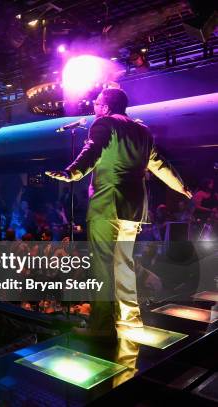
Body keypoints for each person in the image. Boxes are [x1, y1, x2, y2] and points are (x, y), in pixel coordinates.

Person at [46, 88, 192, 336]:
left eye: (97, 102)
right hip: (133, 207)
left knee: (102, 266)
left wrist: (72, 172)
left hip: (107, 204)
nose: (94, 106)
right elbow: (159, 163)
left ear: (105, 106)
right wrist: (181, 186)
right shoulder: (142, 131)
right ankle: (130, 319)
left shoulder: (104, 123)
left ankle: (102, 326)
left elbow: (92, 150)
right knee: (124, 264)